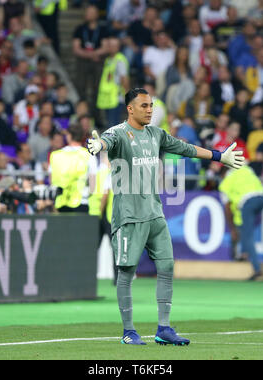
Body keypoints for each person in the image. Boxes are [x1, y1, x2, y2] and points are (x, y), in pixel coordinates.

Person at [87, 88, 244, 346]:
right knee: (126, 273)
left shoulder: (156, 134)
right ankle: (128, 331)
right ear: (130, 108)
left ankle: (164, 328)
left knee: (167, 267)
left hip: (155, 214)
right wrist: (98, 145)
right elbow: (106, 142)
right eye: (144, 105)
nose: (150, 110)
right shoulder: (117, 133)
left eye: (151, 105)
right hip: (129, 217)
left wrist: (219, 156)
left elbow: (185, 148)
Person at [219, 165, 263, 281]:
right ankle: (244, 253)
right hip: (261, 198)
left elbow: (227, 208)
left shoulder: (224, 184)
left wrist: (232, 229)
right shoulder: (245, 168)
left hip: (247, 203)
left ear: (222, 175)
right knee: (245, 228)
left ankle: (257, 270)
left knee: (247, 235)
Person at [50, 124, 97, 213]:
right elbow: (93, 186)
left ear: (69, 136)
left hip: (60, 204)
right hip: (81, 202)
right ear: (82, 136)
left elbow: (51, 180)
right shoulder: (89, 155)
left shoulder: (55, 155)